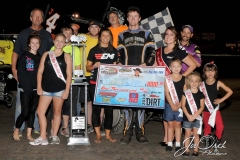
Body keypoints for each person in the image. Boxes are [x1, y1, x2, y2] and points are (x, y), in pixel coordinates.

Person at [11, 8, 54, 137]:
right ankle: (18, 128)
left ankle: (34, 128)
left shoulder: (47, 35)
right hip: (25, 76)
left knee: (35, 107)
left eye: (40, 16)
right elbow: (15, 52)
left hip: (40, 78)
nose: (37, 18)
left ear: (42, 19)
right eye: (35, 16)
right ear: (31, 18)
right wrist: (14, 69)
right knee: (22, 106)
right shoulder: (23, 34)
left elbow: (52, 53)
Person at [117, 6, 156, 144]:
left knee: (140, 104)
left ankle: (140, 132)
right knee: (127, 103)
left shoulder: (146, 34)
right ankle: (127, 132)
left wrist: (147, 64)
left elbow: (152, 52)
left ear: (139, 18)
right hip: (127, 76)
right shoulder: (122, 35)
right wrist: (119, 62)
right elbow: (119, 53)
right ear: (127, 18)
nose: (133, 19)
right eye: (130, 16)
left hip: (142, 74)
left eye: (135, 16)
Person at [155, 26, 196, 146]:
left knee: (174, 112)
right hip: (162, 85)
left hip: (176, 87)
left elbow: (193, 65)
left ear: (176, 37)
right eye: (166, 34)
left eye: (171, 35)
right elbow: (155, 66)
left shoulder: (179, 51)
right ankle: (167, 137)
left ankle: (171, 138)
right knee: (166, 111)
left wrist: (181, 78)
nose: (168, 37)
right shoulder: (159, 51)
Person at [29, 33, 72, 145]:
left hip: (60, 88)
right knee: (40, 111)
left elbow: (69, 74)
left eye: (61, 41)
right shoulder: (46, 54)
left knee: (57, 112)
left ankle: (54, 135)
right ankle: (43, 136)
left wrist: (67, 90)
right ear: (54, 41)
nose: (59, 43)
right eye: (57, 40)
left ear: (64, 43)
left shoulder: (67, 56)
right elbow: (40, 71)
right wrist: (39, 86)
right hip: (46, 88)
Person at [86, 28, 117, 143]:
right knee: (96, 109)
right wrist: (94, 66)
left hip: (110, 84)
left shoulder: (114, 51)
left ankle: (108, 135)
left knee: (109, 110)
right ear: (100, 37)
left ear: (110, 38)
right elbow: (87, 67)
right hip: (95, 83)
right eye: (103, 35)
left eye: (107, 36)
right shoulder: (94, 50)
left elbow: (116, 68)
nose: (105, 38)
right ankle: (98, 135)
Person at [49, 27, 82, 138]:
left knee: (69, 105)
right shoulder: (54, 47)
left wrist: (77, 79)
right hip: (56, 82)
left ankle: (64, 127)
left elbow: (77, 66)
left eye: (70, 33)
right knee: (55, 107)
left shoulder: (75, 49)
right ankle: (54, 128)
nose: (67, 34)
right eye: (65, 32)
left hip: (71, 81)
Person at [12, 32, 42, 141]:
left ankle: (29, 134)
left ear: (39, 44)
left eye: (37, 43)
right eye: (32, 43)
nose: (35, 45)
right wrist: (27, 88)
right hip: (25, 89)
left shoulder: (39, 57)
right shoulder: (24, 56)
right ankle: (16, 131)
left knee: (32, 112)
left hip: (36, 89)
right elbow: (21, 73)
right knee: (24, 112)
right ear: (29, 44)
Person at [200, 61, 233, 150]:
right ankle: (207, 143)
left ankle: (215, 143)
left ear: (216, 72)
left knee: (220, 126)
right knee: (207, 128)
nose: (210, 73)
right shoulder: (201, 84)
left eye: (212, 71)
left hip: (214, 110)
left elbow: (230, 91)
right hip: (204, 110)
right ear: (204, 72)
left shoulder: (218, 83)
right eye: (208, 71)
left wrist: (221, 100)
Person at [79, 20, 101, 133]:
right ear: (88, 29)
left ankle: (99, 123)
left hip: (100, 74)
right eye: (91, 27)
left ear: (99, 29)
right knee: (88, 101)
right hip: (85, 73)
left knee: (100, 100)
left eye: (96, 27)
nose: (93, 29)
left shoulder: (102, 39)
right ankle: (89, 123)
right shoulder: (83, 37)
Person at [181, 71, 204, 156]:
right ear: (188, 82)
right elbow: (183, 105)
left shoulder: (201, 94)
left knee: (196, 134)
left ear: (199, 82)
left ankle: (196, 149)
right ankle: (186, 150)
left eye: (196, 81)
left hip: (197, 117)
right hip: (187, 117)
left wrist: (195, 116)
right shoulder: (185, 93)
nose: (194, 83)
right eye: (192, 81)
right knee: (187, 134)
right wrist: (188, 115)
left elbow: (202, 107)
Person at [164, 58, 185, 152]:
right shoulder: (167, 79)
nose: (176, 68)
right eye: (174, 66)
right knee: (170, 124)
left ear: (181, 67)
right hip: (169, 105)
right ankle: (169, 143)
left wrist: (180, 105)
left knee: (178, 124)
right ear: (170, 68)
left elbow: (185, 94)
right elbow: (167, 93)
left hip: (180, 105)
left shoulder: (184, 79)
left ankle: (177, 144)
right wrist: (172, 104)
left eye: (178, 66)